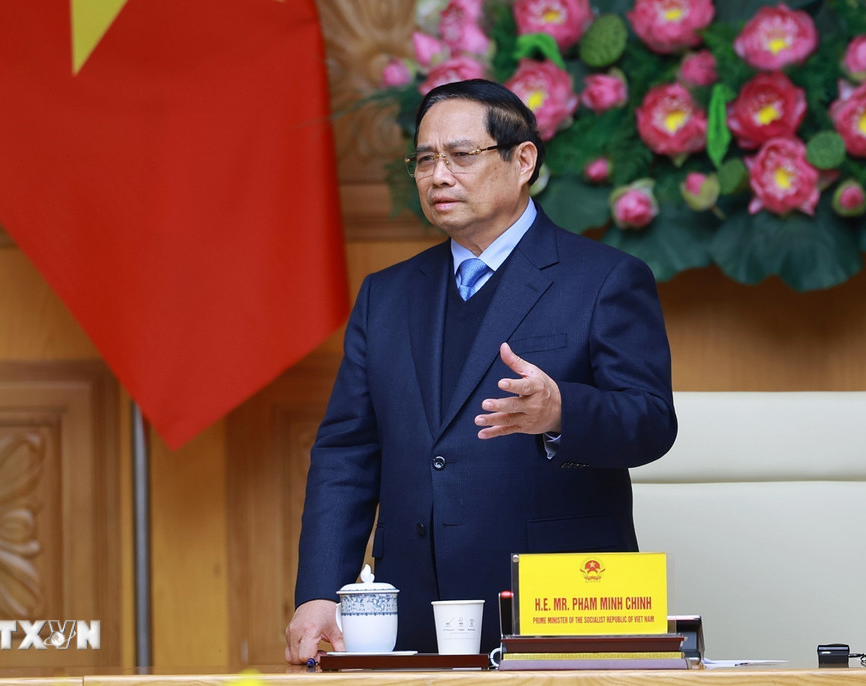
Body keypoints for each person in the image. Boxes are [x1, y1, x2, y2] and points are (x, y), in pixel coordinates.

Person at [284, 78, 677, 664]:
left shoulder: (604, 279)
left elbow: (651, 422)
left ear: (523, 161)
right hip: (414, 607)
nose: (438, 176)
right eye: (424, 160)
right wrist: (320, 591)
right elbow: (347, 454)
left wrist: (561, 411)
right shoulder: (385, 296)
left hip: (553, 606)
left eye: (461, 155)